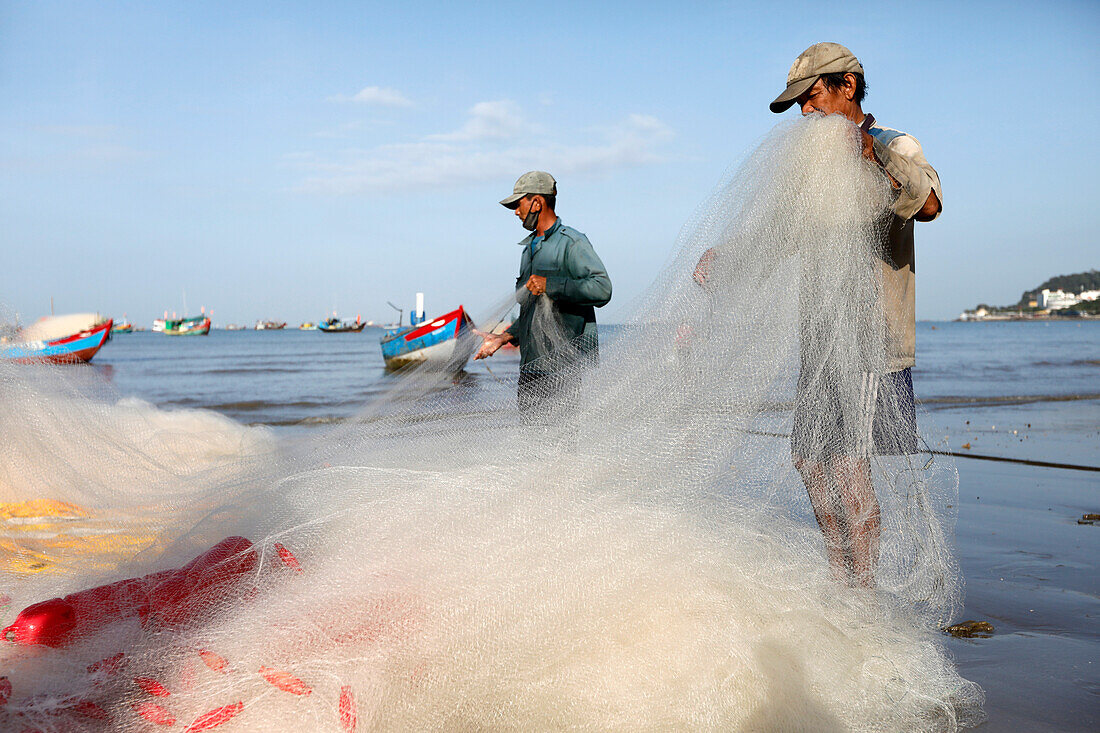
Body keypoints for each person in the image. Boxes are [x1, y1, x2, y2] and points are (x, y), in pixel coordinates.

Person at [696, 43, 941, 587]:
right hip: (822, 336)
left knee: (851, 468)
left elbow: (928, 205)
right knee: (810, 462)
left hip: (871, 335)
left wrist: (868, 154)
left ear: (846, 87)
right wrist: (729, 258)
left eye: (811, 99)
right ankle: (841, 579)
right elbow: (781, 233)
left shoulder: (892, 145)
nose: (805, 113)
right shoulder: (813, 165)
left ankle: (864, 595)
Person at [475, 171, 612, 422]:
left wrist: (551, 284)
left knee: (560, 446)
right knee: (531, 446)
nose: (516, 211)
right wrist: (504, 337)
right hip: (530, 367)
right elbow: (532, 309)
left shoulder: (572, 243)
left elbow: (602, 288)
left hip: (561, 368)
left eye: (519, 204)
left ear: (537, 202)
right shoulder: (528, 250)